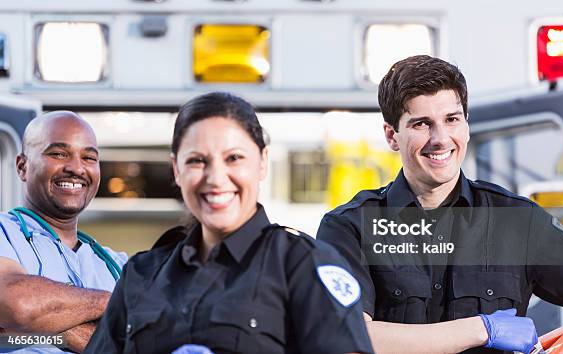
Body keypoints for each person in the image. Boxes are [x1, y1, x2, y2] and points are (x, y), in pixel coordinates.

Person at [317, 55, 563, 354]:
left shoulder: (518, 221)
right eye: (422, 124)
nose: (440, 139)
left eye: (452, 119)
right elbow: (346, 337)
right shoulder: (349, 227)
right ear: (392, 135)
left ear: (466, 126)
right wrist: (482, 329)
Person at [85, 92, 374, 354]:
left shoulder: (305, 265)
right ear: (176, 169)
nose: (216, 178)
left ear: (262, 162)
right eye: (197, 161)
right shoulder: (141, 273)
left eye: (233, 158)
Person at [0, 111, 128, 353]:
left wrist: (48, 329)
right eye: (59, 154)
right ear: (22, 166)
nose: (77, 168)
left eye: (89, 157)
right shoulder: (5, 232)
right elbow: (17, 304)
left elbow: (145, 342)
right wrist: (114, 301)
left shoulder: (118, 265)